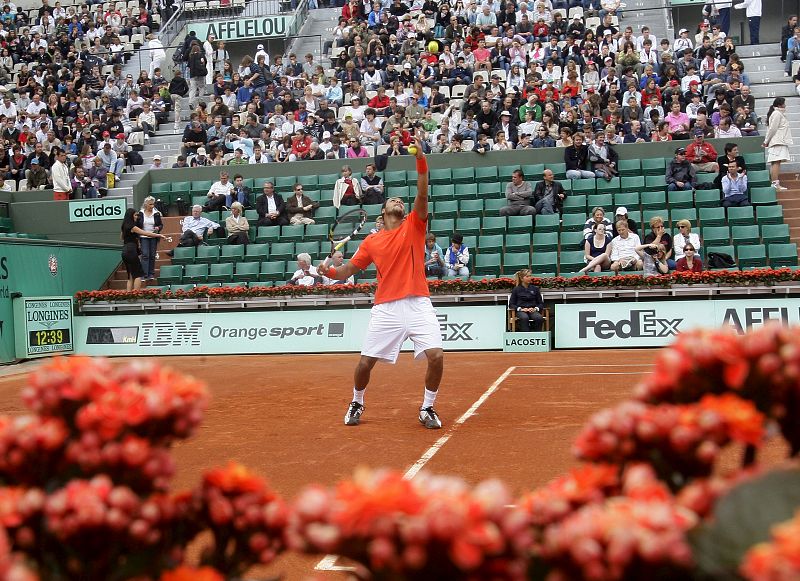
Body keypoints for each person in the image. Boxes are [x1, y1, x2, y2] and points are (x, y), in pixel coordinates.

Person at [316, 139, 445, 430]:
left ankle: (427, 407)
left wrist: (421, 159)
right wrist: (329, 272)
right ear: (383, 212)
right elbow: (348, 269)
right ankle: (357, 401)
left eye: (401, 200)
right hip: (385, 307)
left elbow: (422, 191)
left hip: (418, 303)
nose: (399, 201)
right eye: (393, 200)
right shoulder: (372, 241)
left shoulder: (414, 225)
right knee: (365, 363)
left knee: (436, 357)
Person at [121, 208, 167, 291]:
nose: (136, 217)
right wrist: (159, 235)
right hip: (131, 250)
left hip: (124, 250)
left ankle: (128, 295)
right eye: (135, 215)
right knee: (138, 275)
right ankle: (136, 295)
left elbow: (121, 237)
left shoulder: (123, 226)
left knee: (130, 276)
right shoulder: (133, 227)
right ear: (130, 216)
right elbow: (146, 233)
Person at [764, 97, 791, 191]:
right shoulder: (777, 114)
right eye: (784, 103)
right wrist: (766, 141)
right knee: (776, 162)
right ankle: (775, 184)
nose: (785, 105)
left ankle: (774, 183)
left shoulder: (778, 113)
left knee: (776, 162)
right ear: (780, 104)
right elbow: (772, 129)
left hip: (778, 141)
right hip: (778, 141)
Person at [136, 196, 163, 281]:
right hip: (143, 237)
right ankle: (143, 274)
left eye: (153, 204)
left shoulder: (156, 213)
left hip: (153, 237)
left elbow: (161, 225)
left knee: (152, 255)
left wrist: (158, 228)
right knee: (145, 255)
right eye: (150, 204)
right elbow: (137, 225)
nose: (152, 206)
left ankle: (151, 274)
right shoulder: (140, 213)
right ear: (146, 205)